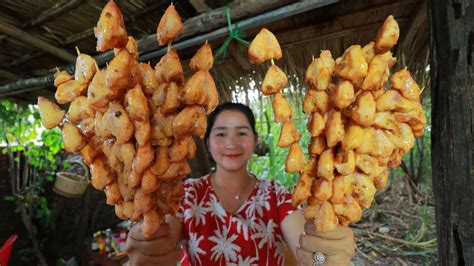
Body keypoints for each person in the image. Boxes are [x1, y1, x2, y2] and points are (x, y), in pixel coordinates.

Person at [125, 102, 355, 265]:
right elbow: (162, 245)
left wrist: (323, 259)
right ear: (208, 142)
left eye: (241, 133)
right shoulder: (186, 194)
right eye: (221, 134)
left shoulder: (276, 195)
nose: (231, 143)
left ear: (254, 140)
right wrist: (148, 253)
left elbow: (307, 253)